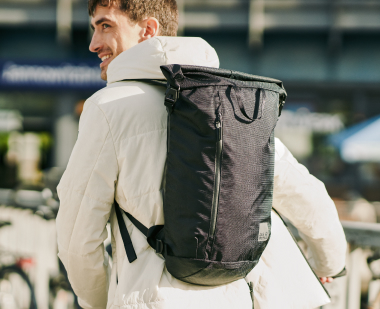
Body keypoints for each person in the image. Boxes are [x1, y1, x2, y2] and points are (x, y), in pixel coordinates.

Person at [56, 0, 347, 308]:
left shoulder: (108, 108)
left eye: (105, 26)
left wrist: (101, 301)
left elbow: (77, 240)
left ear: (148, 30)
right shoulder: (230, 101)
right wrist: (329, 264)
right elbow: (308, 198)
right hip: (250, 296)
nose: (93, 44)